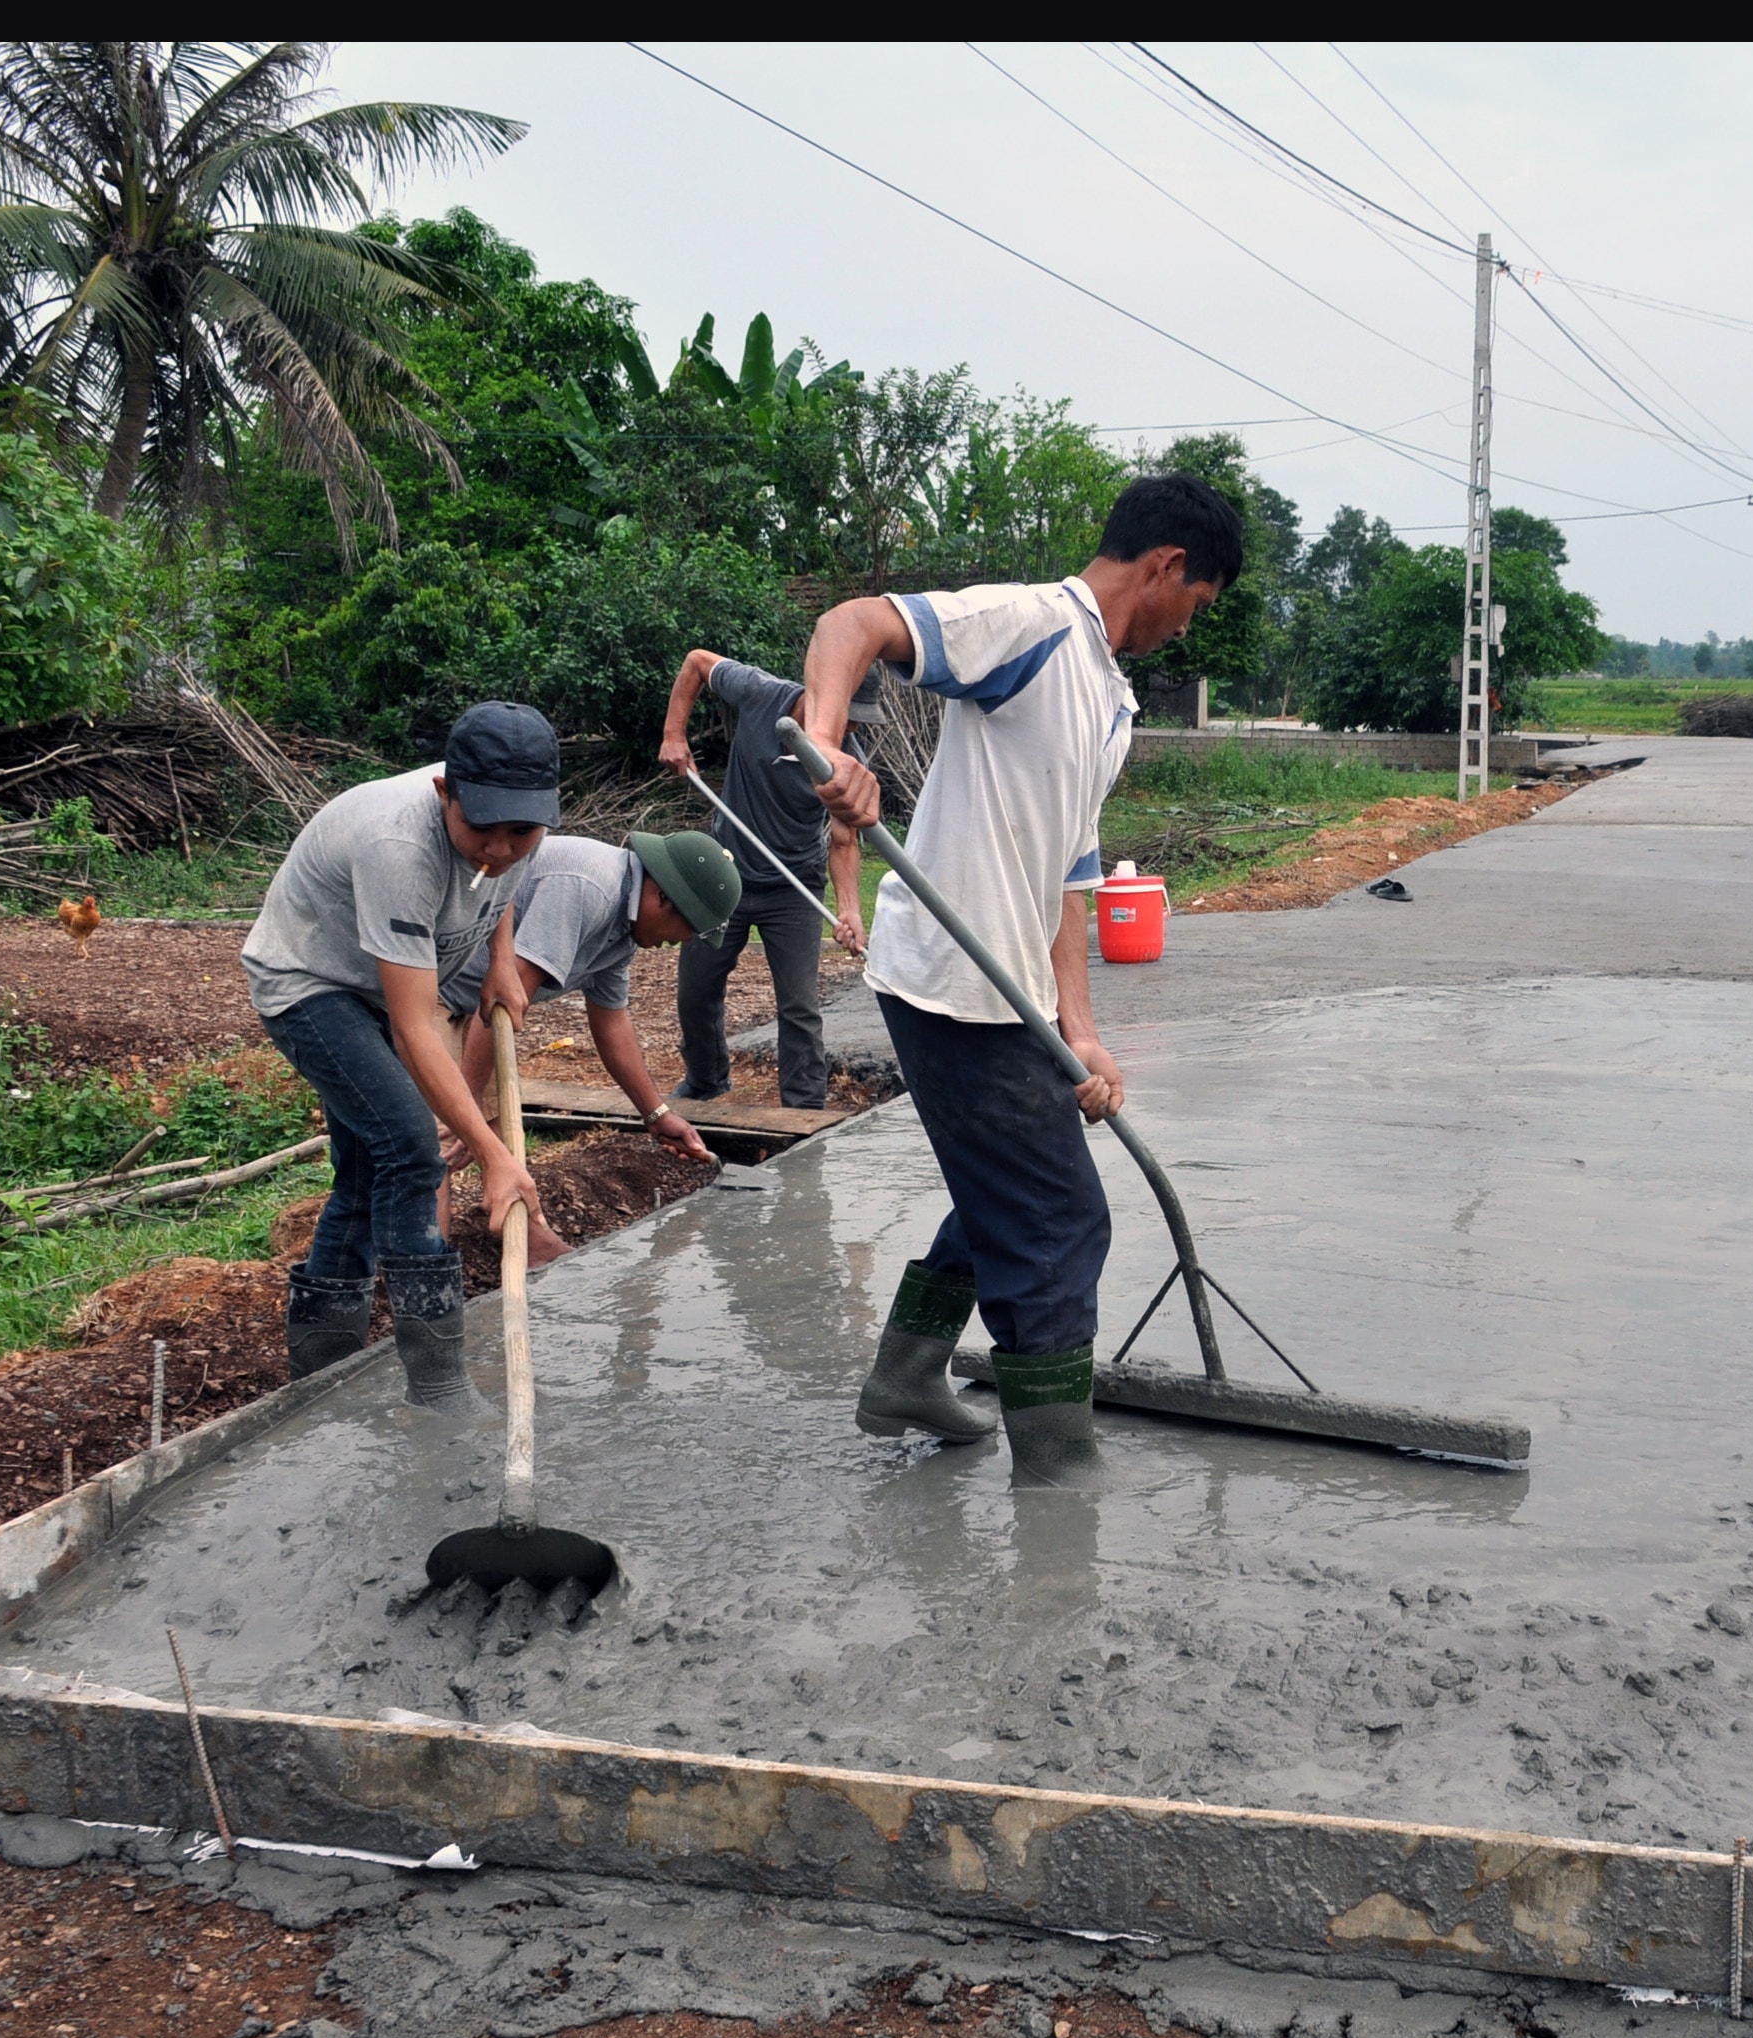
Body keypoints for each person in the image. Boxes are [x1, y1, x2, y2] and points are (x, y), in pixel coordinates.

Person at [785, 474, 1242, 1472]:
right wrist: (825, 748)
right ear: (1164, 568)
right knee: (1059, 1218)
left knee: (1011, 1187)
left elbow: (1068, 881)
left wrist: (1078, 1025)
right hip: (948, 982)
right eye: (1194, 606)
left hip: (1013, 996)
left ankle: (907, 1375)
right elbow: (852, 623)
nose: (1183, 628)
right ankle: (1056, 1471)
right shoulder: (1033, 627)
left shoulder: (1110, 701)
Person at [242, 703, 556, 1409]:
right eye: (485, 829)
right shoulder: (400, 846)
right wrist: (495, 1154)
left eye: (524, 832)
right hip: (311, 984)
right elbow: (417, 1027)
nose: (502, 849)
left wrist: (502, 957)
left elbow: (494, 880)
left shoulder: (500, 832)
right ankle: (439, 1385)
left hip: (374, 986)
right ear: (447, 793)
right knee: (412, 1148)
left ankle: (322, 1377)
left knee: (365, 1171)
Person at [437, 828, 744, 1254]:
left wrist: (656, 1114)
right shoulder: (588, 889)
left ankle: (525, 1241)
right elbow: (504, 1003)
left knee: (498, 1134)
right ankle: (427, 1280)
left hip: (474, 1010)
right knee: (434, 1144)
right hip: (431, 988)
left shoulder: (623, 927)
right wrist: (463, 1104)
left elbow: (611, 1022)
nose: (685, 942)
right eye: (688, 929)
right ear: (662, 897)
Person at [656, 654, 872, 1110]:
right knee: (697, 988)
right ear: (822, 696)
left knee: (799, 1005)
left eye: (858, 721)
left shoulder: (847, 761)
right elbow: (695, 662)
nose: (851, 729)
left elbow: (844, 840)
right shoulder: (759, 693)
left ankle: (804, 1105)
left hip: (794, 888)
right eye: (848, 716)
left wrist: (850, 908)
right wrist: (674, 734)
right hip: (724, 874)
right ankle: (706, 1080)